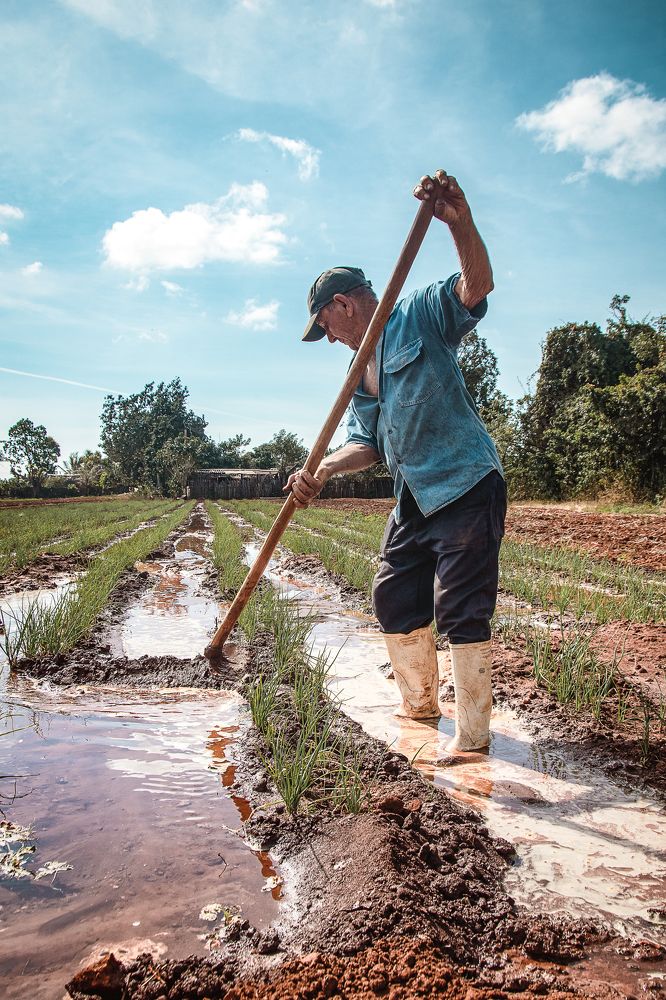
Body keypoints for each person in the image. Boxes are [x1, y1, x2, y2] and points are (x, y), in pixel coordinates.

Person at [286, 170, 506, 753]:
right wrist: (325, 470)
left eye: (323, 326)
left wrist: (458, 221)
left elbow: (476, 284)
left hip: (464, 482)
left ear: (340, 305)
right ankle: (419, 708)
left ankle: (474, 738)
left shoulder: (418, 313)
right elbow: (369, 445)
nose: (327, 338)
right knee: (394, 595)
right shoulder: (358, 372)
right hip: (414, 498)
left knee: (460, 608)